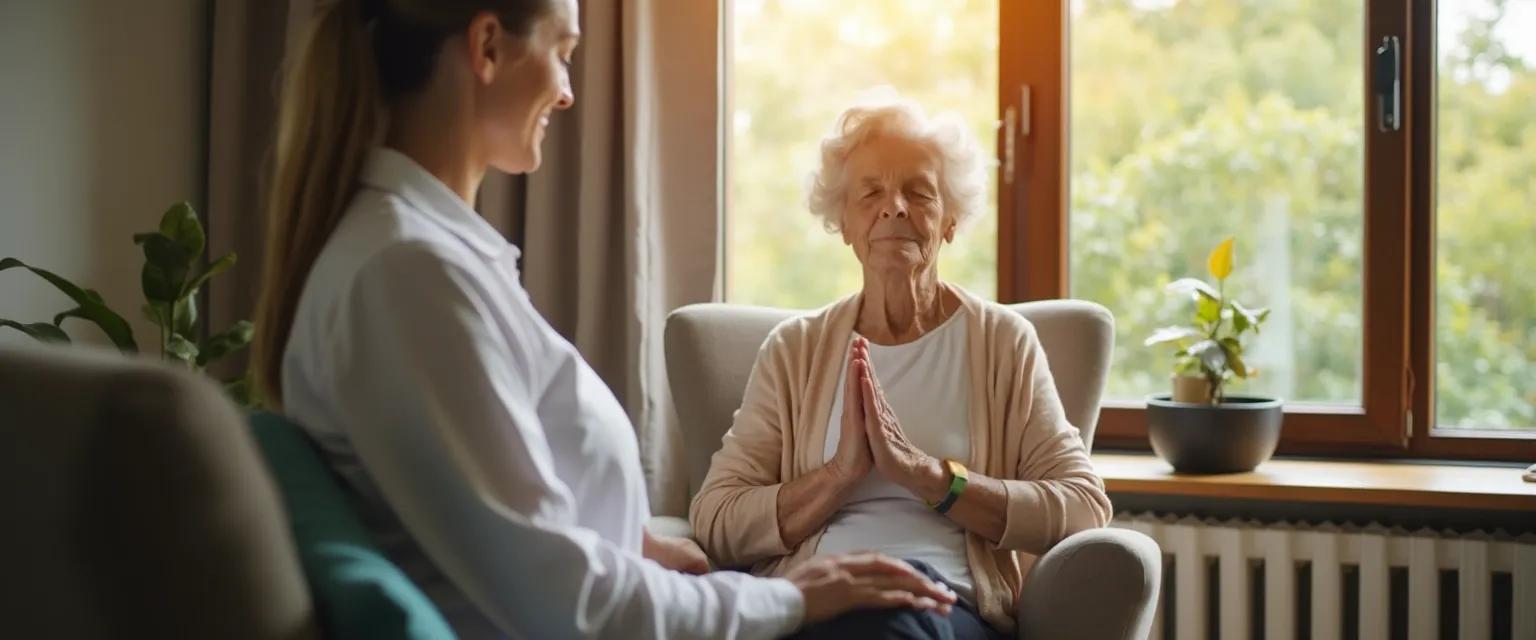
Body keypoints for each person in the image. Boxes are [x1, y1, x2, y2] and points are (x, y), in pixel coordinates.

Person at [247, 1, 955, 638]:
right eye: (563, 51)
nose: (566, 89)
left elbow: (495, 526)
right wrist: (788, 598)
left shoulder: (423, 262)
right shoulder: (408, 277)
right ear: (488, 47)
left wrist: (630, 544)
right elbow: (567, 604)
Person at [690, 95, 1113, 639]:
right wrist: (837, 477)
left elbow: (1082, 506)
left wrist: (930, 477)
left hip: (944, 604)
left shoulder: (1003, 344)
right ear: (842, 222)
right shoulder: (795, 350)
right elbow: (715, 517)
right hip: (820, 600)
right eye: (870, 193)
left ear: (950, 220)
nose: (894, 207)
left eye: (919, 192)